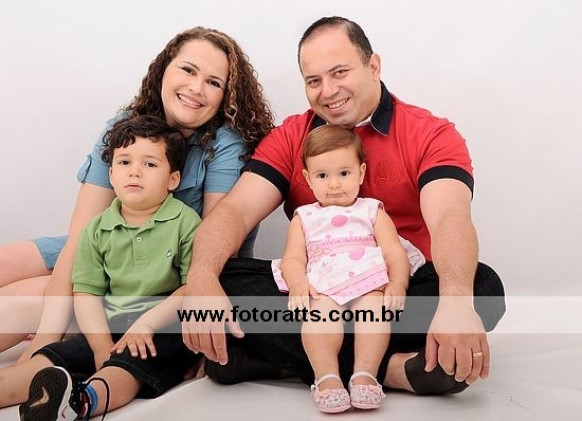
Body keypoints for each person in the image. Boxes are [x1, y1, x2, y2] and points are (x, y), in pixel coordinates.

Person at [182, 16, 506, 396]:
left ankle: (282, 358)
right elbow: (235, 211)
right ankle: (390, 370)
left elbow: (450, 216)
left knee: (483, 288)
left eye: (340, 72)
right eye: (313, 81)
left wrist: (455, 302)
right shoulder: (291, 137)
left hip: (396, 295)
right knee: (224, 277)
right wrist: (201, 277)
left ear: (374, 66)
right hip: (316, 296)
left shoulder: (430, 133)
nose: (328, 91)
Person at [0, 26, 274, 358]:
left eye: (214, 82)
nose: (196, 88)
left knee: (23, 296)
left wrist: (43, 343)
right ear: (163, 69)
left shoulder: (225, 145)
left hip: (163, 268)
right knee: (6, 262)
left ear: (226, 97)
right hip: (113, 243)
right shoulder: (125, 126)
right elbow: (80, 237)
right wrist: (48, 332)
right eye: (188, 70)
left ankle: (53, 342)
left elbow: (214, 248)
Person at [1, 115, 200, 420]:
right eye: (124, 162)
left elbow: (193, 287)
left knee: (125, 367)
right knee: (48, 359)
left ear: (173, 180)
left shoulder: (185, 222)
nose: (134, 171)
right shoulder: (98, 229)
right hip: (108, 324)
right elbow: (87, 292)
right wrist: (99, 344)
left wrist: (147, 325)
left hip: (163, 328)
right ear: (111, 174)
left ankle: (79, 402)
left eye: (149, 164)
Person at [276, 125, 417, 412]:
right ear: (308, 178)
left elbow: (394, 252)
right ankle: (326, 377)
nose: (334, 184)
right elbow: (293, 259)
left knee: (374, 311)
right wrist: (298, 284)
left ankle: (365, 374)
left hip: (368, 281)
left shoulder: (372, 210)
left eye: (344, 173)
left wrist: (397, 283)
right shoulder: (304, 217)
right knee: (319, 317)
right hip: (324, 285)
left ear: (361, 173)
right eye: (322, 176)